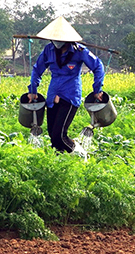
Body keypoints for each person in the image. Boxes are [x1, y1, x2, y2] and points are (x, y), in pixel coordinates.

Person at [27, 16, 106, 153]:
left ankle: (80, 155)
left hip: (70, 95)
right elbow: (37, 69)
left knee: (60, 135)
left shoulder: (80, 51)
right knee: (53, 136)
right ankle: (60, 165)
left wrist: (97, 89)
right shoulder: (48, 50)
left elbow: (98, 66)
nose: (57, 42)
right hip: (53, 95)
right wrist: (33, 90)